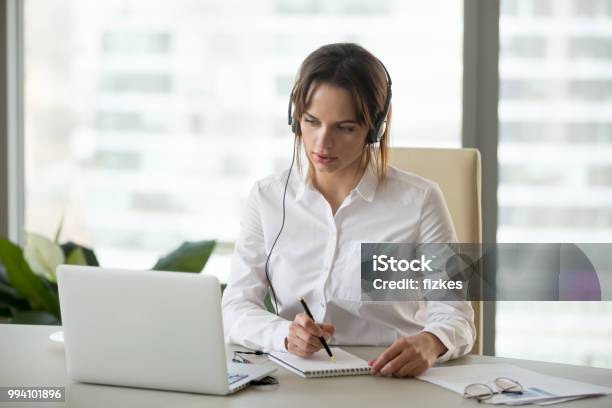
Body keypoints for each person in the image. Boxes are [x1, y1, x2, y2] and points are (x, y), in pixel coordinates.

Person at [222, 43, 475, 377]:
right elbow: (236, 306)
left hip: (388, 380)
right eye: (311, 122)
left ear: (374, 130)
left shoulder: (420, 201)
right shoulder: (267, 198)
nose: (321, 144)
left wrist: (430, 341)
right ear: (294, 119)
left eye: (344, 128)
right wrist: (283, 334)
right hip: (296, 381)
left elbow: (456, 315)